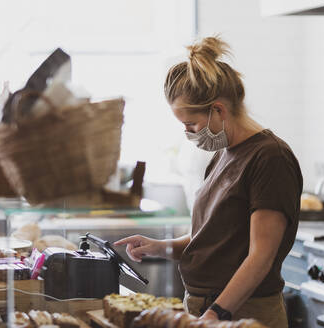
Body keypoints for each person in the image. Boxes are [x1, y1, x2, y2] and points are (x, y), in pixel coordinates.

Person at [114, 36, 303, 328]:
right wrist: (159, 247)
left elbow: (260, 257)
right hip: (209, 307)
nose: (189, 133)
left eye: (191, 125)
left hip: (242, 312)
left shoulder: (270, 157)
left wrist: (216, 313)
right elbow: (214, 237)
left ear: (218, 110)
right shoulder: (223, 155)